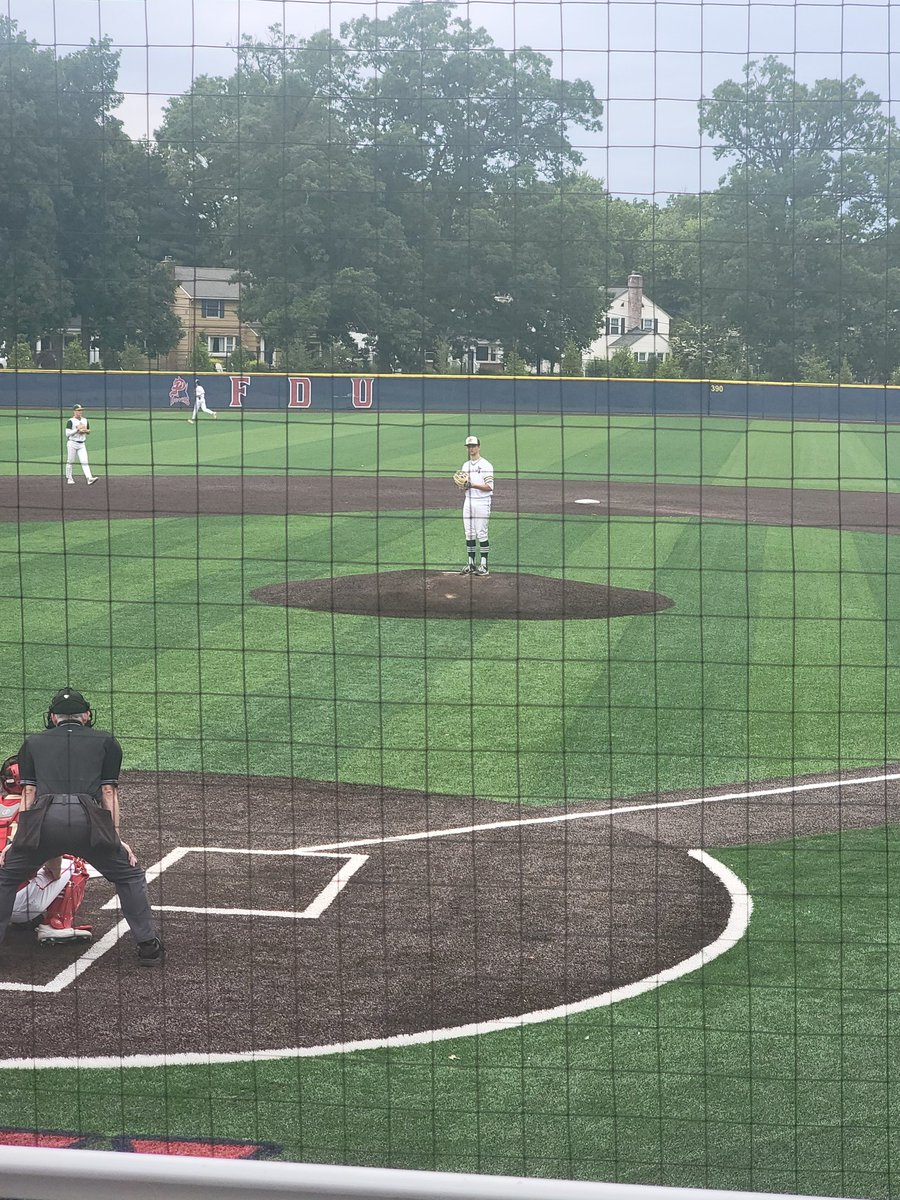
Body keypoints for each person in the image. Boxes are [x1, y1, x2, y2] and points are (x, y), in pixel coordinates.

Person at [0, 689, 163, 965]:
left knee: (5, 878)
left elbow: (28, 795)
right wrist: (115, 839)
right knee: (129, 874)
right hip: (89, 822)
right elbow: (108, 792)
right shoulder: (106, 741)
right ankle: (148, 946)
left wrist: (17, 843)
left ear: (53, 718)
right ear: (86, 716)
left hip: (44, 822)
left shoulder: (32, 742)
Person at [1, 755, 93, 945]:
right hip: (14, 904)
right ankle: (55, 924)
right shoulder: (40, 812)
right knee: (73, 863)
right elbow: (54, 869)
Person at [458, 435, 494, 575]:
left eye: (473, 446)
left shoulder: (486, 465)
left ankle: (484, 565)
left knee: (482, 533)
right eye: (469, 447)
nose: (471, 449)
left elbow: (490, 486)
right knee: (469, 533)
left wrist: (472, 484)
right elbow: (464, 486)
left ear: (479, 447)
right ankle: (471, 563)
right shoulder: (465, 465)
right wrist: (463, 486)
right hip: (468, 502)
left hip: (482, 502)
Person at [64, 404, 97, 485]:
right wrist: (77, 429)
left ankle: (89, 478)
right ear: (74, 411)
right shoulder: (70, 421)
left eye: (81, 410)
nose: (80, 412)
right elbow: (67, 434)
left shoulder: (85, 420)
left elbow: (88, 431)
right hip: (72, 443)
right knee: (70, 461)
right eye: (78, 410)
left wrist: (85, 431)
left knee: (85, 461)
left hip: (82, 444)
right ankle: (69, 478)